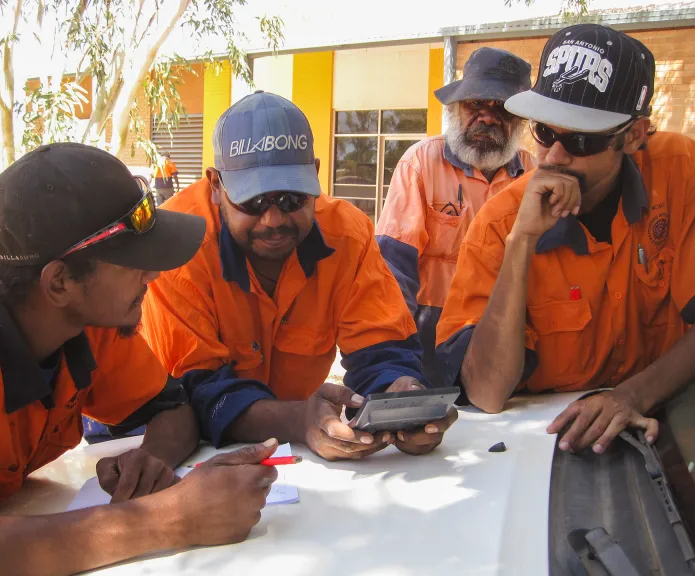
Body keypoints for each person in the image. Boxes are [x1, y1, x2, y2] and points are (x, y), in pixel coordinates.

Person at [0, 143, 279, 575]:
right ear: (59, 283)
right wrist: (171, 518)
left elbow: (172, 407)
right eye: (133, 262)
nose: (152, 275)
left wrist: (152, 461)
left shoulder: (84, 319)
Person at [141, 91, 458, 461]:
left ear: (316, 176)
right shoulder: (179, 247)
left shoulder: (348, 236)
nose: (273, 220)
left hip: (304, 457)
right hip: (188, 451)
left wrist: (401, 398)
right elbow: (198, 390)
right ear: (216, 186)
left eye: (292, 199)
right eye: (252, 202)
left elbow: (382, 349)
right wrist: (299, 420)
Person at [435, 24, 695, 455]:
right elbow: (485, 393)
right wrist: (521, 242)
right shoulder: (499, 224)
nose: (554, 156)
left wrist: (630, 396)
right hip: (543, 447)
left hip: (662, 423)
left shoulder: (680, 173)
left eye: (579, 139)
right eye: (544, 133)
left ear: (633, 135)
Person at [376, 47, 534, 385]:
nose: (488, 117)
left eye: (503, 108)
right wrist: (394, 362)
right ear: (454, 109)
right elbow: (393, 271)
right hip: (426, 336)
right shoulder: (420, 163)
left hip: (507, 334)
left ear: (519, 120)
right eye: (475, 104)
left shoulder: (535, 175)